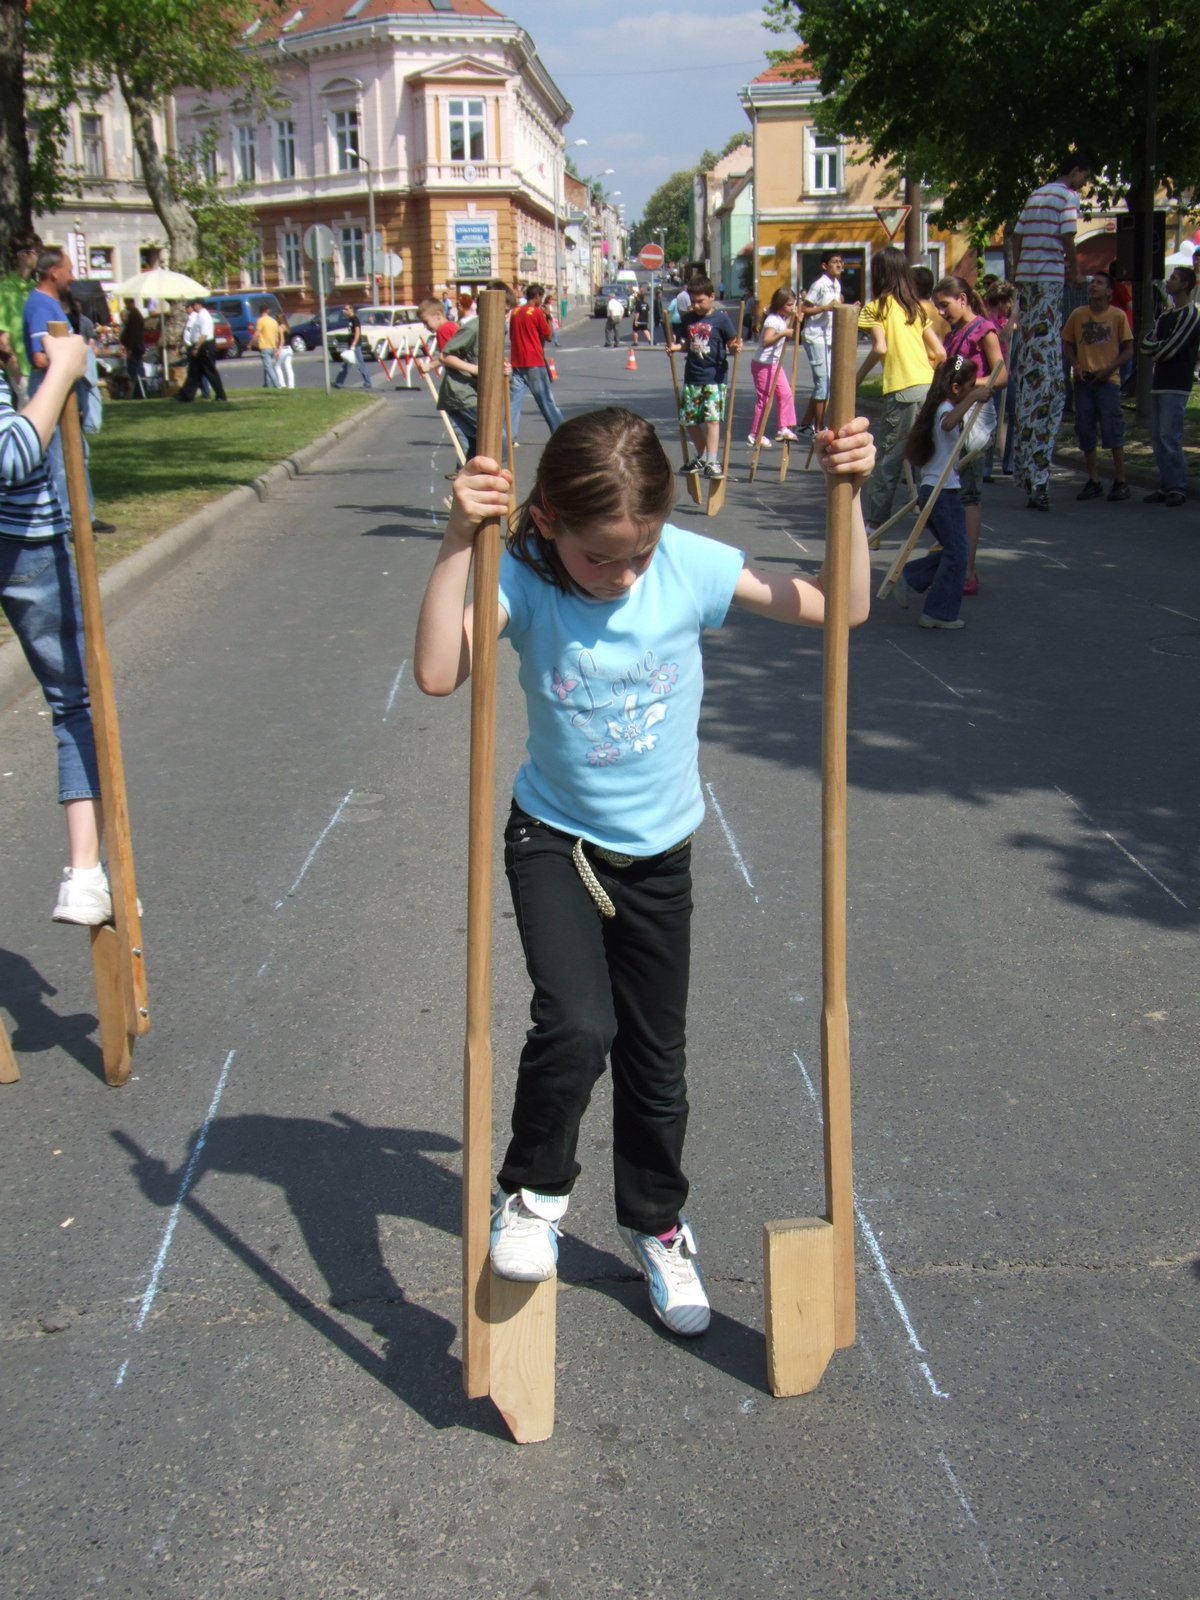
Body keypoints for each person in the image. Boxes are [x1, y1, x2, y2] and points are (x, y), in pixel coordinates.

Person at [412, 405, 874, 1334]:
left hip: (660, 856)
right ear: (549, 519)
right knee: (578, 1024)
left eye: (640, 553)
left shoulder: (683, 566)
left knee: (657, 1061)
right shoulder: (524, 576)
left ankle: (656, 1222)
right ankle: (534, 1192)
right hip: (557, 842)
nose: (623, 575)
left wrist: (850, 496)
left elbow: (840, 607)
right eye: (600, 559)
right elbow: (436, 671)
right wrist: (461, 539)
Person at [0, 328, 115, 923]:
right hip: (21, 541)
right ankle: (86, 874)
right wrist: (64, 370)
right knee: (74, 704)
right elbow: (11, 455)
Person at [1011, 153, 1092, 510]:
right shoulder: (1066, 197)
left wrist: (1017, 269)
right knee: (1045, 352)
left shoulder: (1034, 196)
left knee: (1034, 344)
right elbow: (1068, 235)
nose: (1084, 185)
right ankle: (1037, 474)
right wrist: (1074, 270)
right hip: (1047, 278)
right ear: (1075, 171)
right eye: (1084, 177)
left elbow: (1015, 235)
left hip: (1028, 279)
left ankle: (1028, 470)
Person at [894, 355, 995, 631]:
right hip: (942, 492)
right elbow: (949, 423)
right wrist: (972, 398)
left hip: (936, 488)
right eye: (970, 385)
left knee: (955, 550)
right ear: (955, 388)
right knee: (958, 553)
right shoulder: (944, 409)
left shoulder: (938, 407)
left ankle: (911, 576)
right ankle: (938, 611)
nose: (974, 388)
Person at [22, 247, 115, 531]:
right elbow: (40, 357)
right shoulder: (40, 305)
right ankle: (68, 520)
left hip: (64, 390)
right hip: (51, 389)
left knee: (77, 453)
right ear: (54, 273)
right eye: (70, 270)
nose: (73, 277)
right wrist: (72, 361)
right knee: (61, 458)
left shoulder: (49, 304)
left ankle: (85, 515)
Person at [857, 247, 945, 533]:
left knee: (889, 459)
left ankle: (875, 525)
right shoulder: (914, 308)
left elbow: (880, 347)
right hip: (927, 386)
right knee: (925, 456)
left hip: (901, 388)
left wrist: (856, 378)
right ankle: (936, 523)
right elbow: (941, 353)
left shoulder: (876, 307)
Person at [932, 276, 1006, 595]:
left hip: (974, 418)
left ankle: (968, 570)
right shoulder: (952, 335)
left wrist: (969, 387)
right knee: (943, 490)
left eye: (944, 305)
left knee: (968, 494)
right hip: (952, 417)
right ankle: (951, 556)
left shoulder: (984, 330)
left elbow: (1001, 375)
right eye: (937, 306)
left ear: (962, 299)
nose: (941, 312)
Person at [1061, 271, 1133, 502]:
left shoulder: (1117, 316)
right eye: (1092, 283)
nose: (1093, 286)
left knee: (1113, 430)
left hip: (1108, 382)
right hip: (1084, 382)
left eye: (1099, 283)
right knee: (1085, 430)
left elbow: (1128, 349)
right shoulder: (1078, 314)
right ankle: (1093, 480)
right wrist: (1075, 364)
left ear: (1109, 292)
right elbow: (1067, 343)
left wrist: (1110, 368)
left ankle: (1120, 480)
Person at [668, 276, 741, 480]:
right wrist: (675, 347)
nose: (696, 306)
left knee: (712, 420)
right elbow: (687, 344)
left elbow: (732, 344)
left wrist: (735, 347)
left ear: (711, 297)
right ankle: (703, 456)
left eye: (700, 301)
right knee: (689, 420)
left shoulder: (721, 320)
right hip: (692, 376)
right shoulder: (688, 319)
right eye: (693, 301)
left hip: (714, 378)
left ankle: (712, 461)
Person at [1140, 265, 1199, 507]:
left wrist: (1157, 348)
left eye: (1173, 278)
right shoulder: (1166, 316)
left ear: (1184, 285)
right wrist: (1158, 347)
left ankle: (1177, 486)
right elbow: (1145, 344)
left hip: (1176, 383)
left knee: (1169, 435)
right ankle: (1165, 485)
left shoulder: (1190, 314)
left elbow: (1171, 349)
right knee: (1157, 438)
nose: (1168, 281)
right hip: (1159, 382)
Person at [507, 283, 564, 442]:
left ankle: (509, 436)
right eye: (541, 297)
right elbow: (549, 336)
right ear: (537, 296)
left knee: (513, 402)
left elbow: (512, 336)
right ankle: (560, 431)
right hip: (534, 362)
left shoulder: (515, 312)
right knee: (545, 400)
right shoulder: (537, 312)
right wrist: (548, 316)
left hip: (517, 362)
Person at [747, 287, 801, 447]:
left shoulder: (781, 319)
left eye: (793, 304)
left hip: (774, 364)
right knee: (764, 400)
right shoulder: (772, 320)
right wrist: (783, 334)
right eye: (789, 305)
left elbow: (788, 330)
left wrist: (796, 319)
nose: (791, 308)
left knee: (785, 393)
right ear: (780, 304)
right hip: (763, 364)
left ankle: (783, 427)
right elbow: (766, 341)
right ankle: (755, 434)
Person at [798, 251, 845, 435]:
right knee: (823, 383)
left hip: (829, 337)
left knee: (825, 382)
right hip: (815, 336)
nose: (839, 265)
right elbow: (804, 308)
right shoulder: (819, 285)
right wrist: (825, 308)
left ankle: (805, 423)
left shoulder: (836, 284)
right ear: (825, 266)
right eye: (835, 262)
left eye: (841, 262)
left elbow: (836, 306)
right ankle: (819, 428)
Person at [0, 232, 41, 387]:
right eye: (36, 252)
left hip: (41, 368)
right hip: (21, 373)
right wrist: (17, 374)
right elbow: (2, 338)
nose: (38, 257)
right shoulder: (4, 289)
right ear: (22, 255)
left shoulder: (36, 289)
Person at [178, 297, 228, 403]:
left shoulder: (204, 316)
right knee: (194, 371)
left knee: (210, 371)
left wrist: (197, 348)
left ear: (199, 305)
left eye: (194, 305)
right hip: (200, 345)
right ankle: (186, 395)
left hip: (205, 346)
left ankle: (220, 395)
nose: (193, 307)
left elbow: (204, 335)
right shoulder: (198, 316)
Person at [334, 306, 372, 390]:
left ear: (351, 310)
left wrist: (354, 344)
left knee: (360, 364)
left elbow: (357, 333)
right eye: (344, 309)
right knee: (346, 365)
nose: (344, 311)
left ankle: (368, 382)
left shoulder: (355, 319)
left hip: (355, 346)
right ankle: (338, 383)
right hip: (351, 346)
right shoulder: (350, 319)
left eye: (346, 309)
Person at [118, 298, 147, 396]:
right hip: (136, 346)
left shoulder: (134, 316)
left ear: (131, 303)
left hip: (135, 347)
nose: (126, 306)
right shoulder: (135, 315)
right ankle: (139, 390)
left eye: (127, 304)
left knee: (134, 370)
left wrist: (130, 349)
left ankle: (137, 391)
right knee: (138, 368)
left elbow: (133, 335)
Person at [252, 304, 282, 388]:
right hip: (273, 346)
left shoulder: (261, 321)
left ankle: (277, 385)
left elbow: (257, 334)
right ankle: (267, 384)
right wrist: (277, 348)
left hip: (265, 347)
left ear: (260, 311)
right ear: (267, 311)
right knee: (267, 366)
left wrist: (251, 343)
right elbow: (276, 336)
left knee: (268, 367)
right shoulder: (273, 321)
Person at [274, 314, 296, 389]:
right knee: (288, 367)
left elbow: (282, 340)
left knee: (277, 366)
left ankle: (282, 384)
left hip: (283, 349)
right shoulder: (287, 327)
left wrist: (278, 350)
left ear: (278, 319)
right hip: (289, 349)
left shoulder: (280, 327)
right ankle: (291, 386)